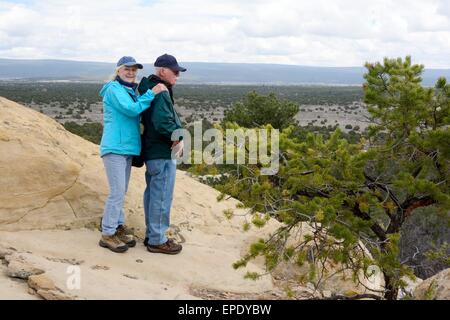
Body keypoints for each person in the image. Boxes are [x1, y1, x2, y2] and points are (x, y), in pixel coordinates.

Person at [99, 56, 168, 253]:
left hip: (127, 148)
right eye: (127, 69)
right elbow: (131, 110)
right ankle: (107, 233)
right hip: (114, 148)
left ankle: (117, 227)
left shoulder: (129, 90)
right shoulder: (113, 89)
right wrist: (152, 93)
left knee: (122, 190)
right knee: (117, 191)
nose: (131, 72)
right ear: (118, 70)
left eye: (134, 70)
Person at [137, 54, 186, 255]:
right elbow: (163, 123)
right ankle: (157, 240)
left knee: (153, 194)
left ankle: (152, 234)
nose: (178, 76)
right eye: (175, 72)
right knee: (162, 195)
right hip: (161, 151)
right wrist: (179, 136)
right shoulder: (160, 91)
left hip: (152, 150)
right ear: (162, 70)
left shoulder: (151, 88)